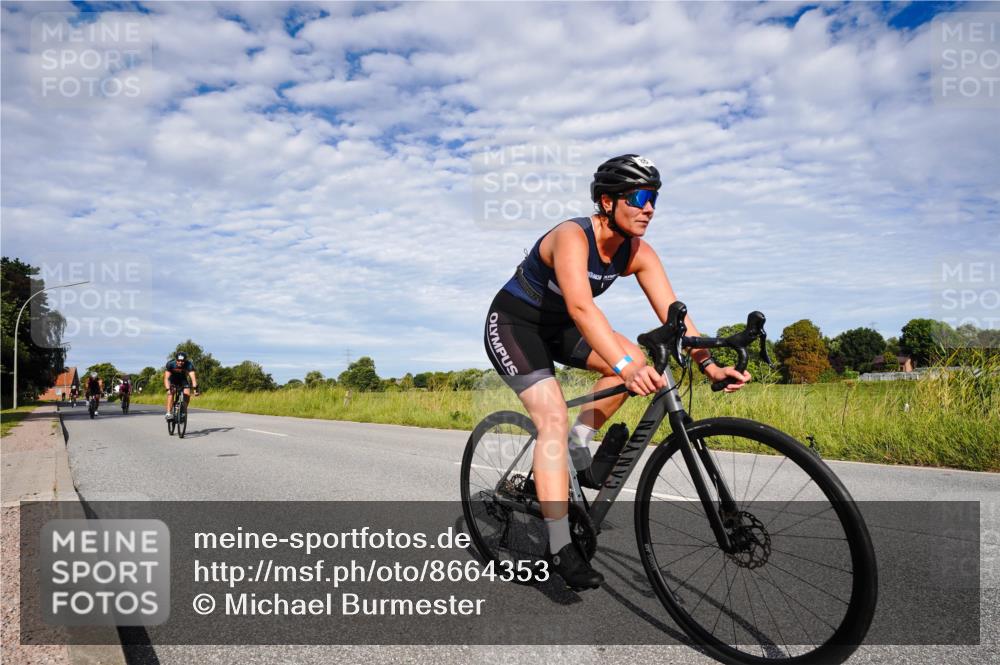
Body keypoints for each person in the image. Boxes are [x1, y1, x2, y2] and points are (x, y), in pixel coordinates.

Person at [483, 154, 751, 589]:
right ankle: (559, 545)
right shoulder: (572, 236)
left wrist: (709, 366)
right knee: (553, 416)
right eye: (640, 198)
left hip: (563, 328)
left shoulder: (638, 252)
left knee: (638, 363)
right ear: (607, 202)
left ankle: (578, 447)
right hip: (516, 325)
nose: (650, 209)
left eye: (655, 199)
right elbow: (581, 307)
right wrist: (624, 367)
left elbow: (675, 318)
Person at [164, 352, 199, 419]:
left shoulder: (189, 365)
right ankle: (168, 413)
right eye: (178, 360)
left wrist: (195, 390)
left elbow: (193, 379)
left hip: (183, 380)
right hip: (173, 380)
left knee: (187, 393)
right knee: (171, 393)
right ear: (176, 360)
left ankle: (183, 411)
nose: (180, 362)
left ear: (185, 361)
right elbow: (166, 378)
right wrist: (167, 389)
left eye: (182, 361)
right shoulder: (170, 364)